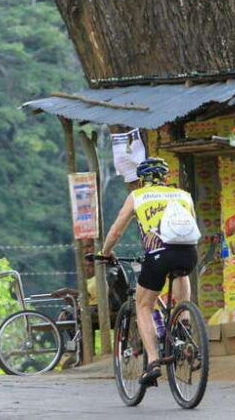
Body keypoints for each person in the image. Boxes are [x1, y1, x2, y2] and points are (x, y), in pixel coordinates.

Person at [100, 157, 198, 387]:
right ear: (165, 177)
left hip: (158, 255)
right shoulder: (183, 195)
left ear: (142, 180)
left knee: (143, 305)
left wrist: (105, 252)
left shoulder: (138, 196)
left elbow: (116, 231)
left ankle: (153, 360)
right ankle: (183, 323)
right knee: (181, 273)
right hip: (188, 254)